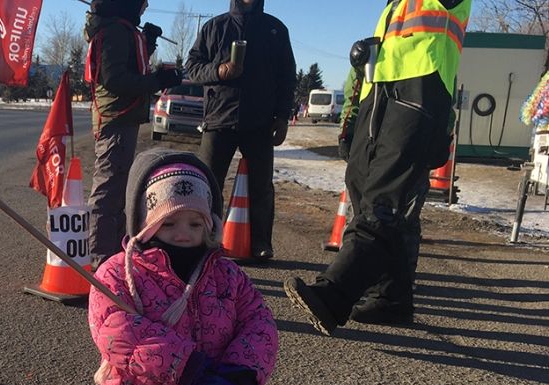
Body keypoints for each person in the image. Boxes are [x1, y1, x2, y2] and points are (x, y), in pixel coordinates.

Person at [88, 148, 278, 385]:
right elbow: (117, 329)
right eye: (170, 222)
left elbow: (259, 322)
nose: (183, 233)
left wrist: (240, 375)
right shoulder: (118, 274)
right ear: (145, 221)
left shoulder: (227, 276)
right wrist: (190, 367)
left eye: (195, 223)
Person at [284, 0, 472, 334]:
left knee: (385, 199)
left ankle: (335, 295)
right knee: (364, 187)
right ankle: (390, 297)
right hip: (380, 91)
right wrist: (354, 113)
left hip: (421, 87)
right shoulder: (396, 5)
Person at [185, 0, 296, 262]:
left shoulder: (275, 30)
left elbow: (287, 76)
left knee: (261, 187)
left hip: (260, 123)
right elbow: (192, 66)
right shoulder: (215, 27)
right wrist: (220, 71)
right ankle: (205, 240)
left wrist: (282, 117)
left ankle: (260, 243)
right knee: (208, 184)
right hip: (218, 120)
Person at [84, 0, 183, 268]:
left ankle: (113, 253)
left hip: (121, 116)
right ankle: (101, 258)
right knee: (108, 188)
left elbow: (129, 66)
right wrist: (157, 82)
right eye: (141, 1)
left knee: (116, 188)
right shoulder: (116, 30)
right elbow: (115, 79)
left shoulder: (122, 29)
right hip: (116, 117)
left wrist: (147, 42)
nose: (146, 5)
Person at [337, 64, 433, 325]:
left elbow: (442, 95)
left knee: (397, 220)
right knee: (374, 217)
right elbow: (354, 93)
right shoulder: (373, 54)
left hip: (405, 145)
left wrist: (437, 140)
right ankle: (385, 292)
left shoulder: (426, 56)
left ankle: (393, 294)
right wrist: (347, 131)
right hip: (371, 144)